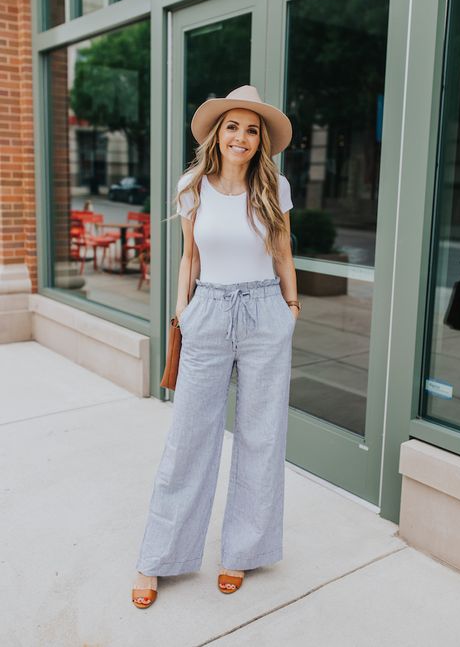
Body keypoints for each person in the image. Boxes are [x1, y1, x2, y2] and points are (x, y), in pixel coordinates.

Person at [131, 85, 301, 608]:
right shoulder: (192, 187)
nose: (242, 137)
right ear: (217, 133)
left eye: (252, 130)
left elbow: (283, 254)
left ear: (261, 140)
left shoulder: (275, 188)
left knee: (261, 437)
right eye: (233, 126)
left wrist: (291, 311)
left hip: (265, 314)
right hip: (206, 312)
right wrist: (183, 309)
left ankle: (240, 553)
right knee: (189, 438)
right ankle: (159, 557)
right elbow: (189, 256)